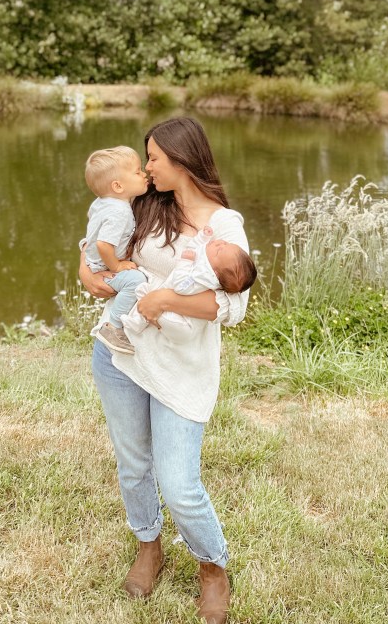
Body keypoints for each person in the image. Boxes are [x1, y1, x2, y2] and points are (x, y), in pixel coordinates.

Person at [80, 116, 252, 624]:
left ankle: (212, 566)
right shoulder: (141, 205)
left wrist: (163, 299)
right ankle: (149, 545)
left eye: (153, 157)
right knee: (134, 466)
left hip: (180, 368)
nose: (146, 166)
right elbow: (94, 244)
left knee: (179, 483)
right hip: (120, 356)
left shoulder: (224, 226)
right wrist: (83, 271)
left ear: (181, 160)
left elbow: (233, 308)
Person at [122, 228, 256, 345]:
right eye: (226, 243)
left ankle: (135, 324)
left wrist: (185, 262)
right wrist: (203, 237)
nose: (220, 242)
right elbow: (194, 248)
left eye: (219, 250)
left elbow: (181, 286)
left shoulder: (203, 276)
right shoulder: (207, 259)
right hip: (160, 306)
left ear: (214, 272)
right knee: (144, 294)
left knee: (148, 304)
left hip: (178, 320)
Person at [82, 145, 150, 355]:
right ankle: (113, 327)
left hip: (93, 263)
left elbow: (91, 219)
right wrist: (117, 265)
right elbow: (104, 244)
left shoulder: (103, 202)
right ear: (118, 186)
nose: (144, 173)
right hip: (104, 268)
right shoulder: (119, 211)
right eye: (138, 172)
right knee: (136, 281)